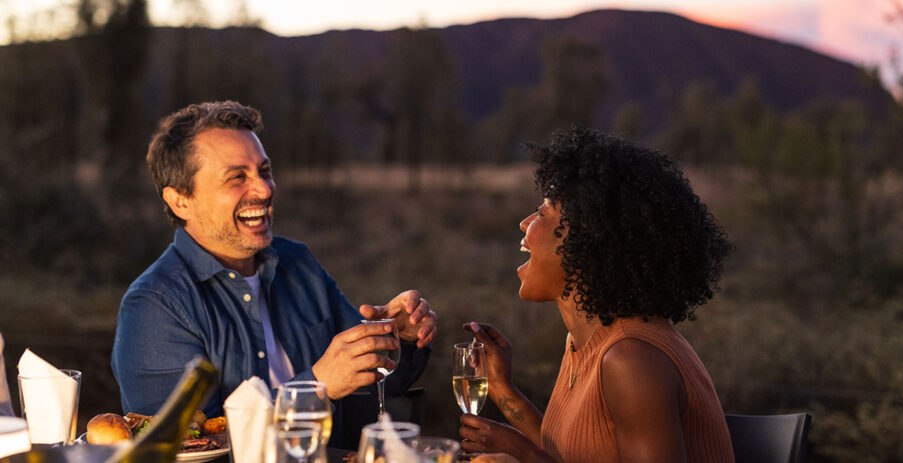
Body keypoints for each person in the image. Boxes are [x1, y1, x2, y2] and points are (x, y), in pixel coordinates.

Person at [112, 101, 436, 446]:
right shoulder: (154, 307)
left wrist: (397, 338)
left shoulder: (299, 264)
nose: (265, 189)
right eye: (237, 177)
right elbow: (183, 447)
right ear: (181, 201)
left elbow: (373, 379)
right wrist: (317, 386)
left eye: (264, 171)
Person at [459, 126, 734, 462]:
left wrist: (524, 455)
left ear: (587, 242)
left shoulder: (632, 360)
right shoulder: (588, 341)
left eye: (543, 213)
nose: (525, 223)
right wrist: (504, 391)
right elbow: (577, 452)